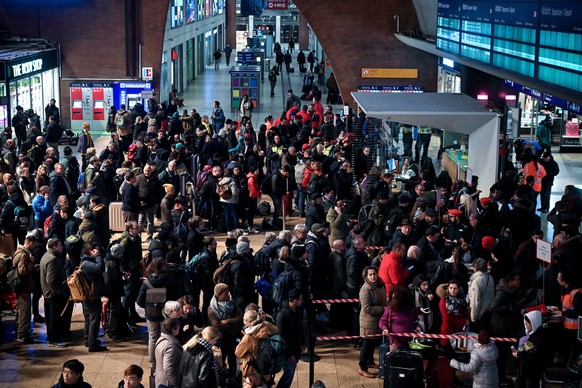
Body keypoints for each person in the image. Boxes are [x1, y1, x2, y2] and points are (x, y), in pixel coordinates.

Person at [40, 238, 72, 347]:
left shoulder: (45, 256)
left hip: (47, 293)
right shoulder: (53, 259)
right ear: (54, 247)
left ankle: (52, 336)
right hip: (53, 294)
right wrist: (58, 292)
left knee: (50, 316)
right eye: (60, 245)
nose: (62, 247)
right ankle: (54, 338)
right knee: (54, 317)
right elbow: (51, 280)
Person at [235, 308, 279, 387]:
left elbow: (238, 353)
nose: (243, 321)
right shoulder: (267, 326)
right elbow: (276, 331)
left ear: (249, 322)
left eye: (244, 319)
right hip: (267, 369)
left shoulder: (248, 337)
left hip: (253, 371)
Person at [358, 266, 387, 378]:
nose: (373, 276)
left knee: (373, 343)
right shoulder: (365, 289)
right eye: (370, 274)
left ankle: (370, 362)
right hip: (368, 321)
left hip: (377, 320)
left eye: (374, 274)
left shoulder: (379, 284)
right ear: (366, 276)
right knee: (366, 344)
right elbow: (367, 308)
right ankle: (362, 367)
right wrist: (383, 309)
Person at [80, 241, 107, 352]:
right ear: (89, 251)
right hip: (92, 296)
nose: (97, 252)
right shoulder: (87, 263)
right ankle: (92, 344)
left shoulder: (86, 261)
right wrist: (98, 257)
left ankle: (88, 340)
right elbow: (100, 268)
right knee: (94, 319)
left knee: (89, 318)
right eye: (95, 250)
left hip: (91, 295)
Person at [512, 310, 550, 387]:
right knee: (518, 385)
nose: (525, 325)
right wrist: (515, 351)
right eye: (524, 323)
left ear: (534, 323)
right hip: (522, 368)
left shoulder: (542, 337)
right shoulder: (523, 333)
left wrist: (520, 352)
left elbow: (535, 355)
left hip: (534, 370)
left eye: (527, 323)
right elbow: (518, 345)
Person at [275, 288, 305, 388]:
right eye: (300, 299)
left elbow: (300, 328)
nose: (302, 301)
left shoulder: (296, 311)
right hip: (288, 352)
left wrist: (302, 343)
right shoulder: (282, 315)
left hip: (295, 349)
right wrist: (290, 354)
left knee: (290, 373)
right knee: (289, 373)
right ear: (294, 300)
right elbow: (282, 337)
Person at [12, 235, 37, 344]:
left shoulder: (18, 251)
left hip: (19, 286)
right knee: (24, 311)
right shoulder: (24, 255)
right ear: (30, 243)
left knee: (20, 310)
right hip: (23, 287)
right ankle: (22, 335)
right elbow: (22, 271)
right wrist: (31, 262)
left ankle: (19, 331)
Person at [379, 285, 420, 350]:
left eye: (396, 299)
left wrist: (417, 326)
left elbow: (415, 320)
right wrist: (385, 329)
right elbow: (382, 322)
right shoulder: (389, 309)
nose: (394, 301)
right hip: (395, 342)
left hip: (410, 342)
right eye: (392, 298)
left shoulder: (411, 309)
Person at [154, 317, 183, 388]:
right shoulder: (170, 346)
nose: (179, 329)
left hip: (161, 379)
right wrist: (176, 383)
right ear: (173, 329)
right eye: (178, 328)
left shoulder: (161, 339)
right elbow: (168, 368)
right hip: (167, 383)